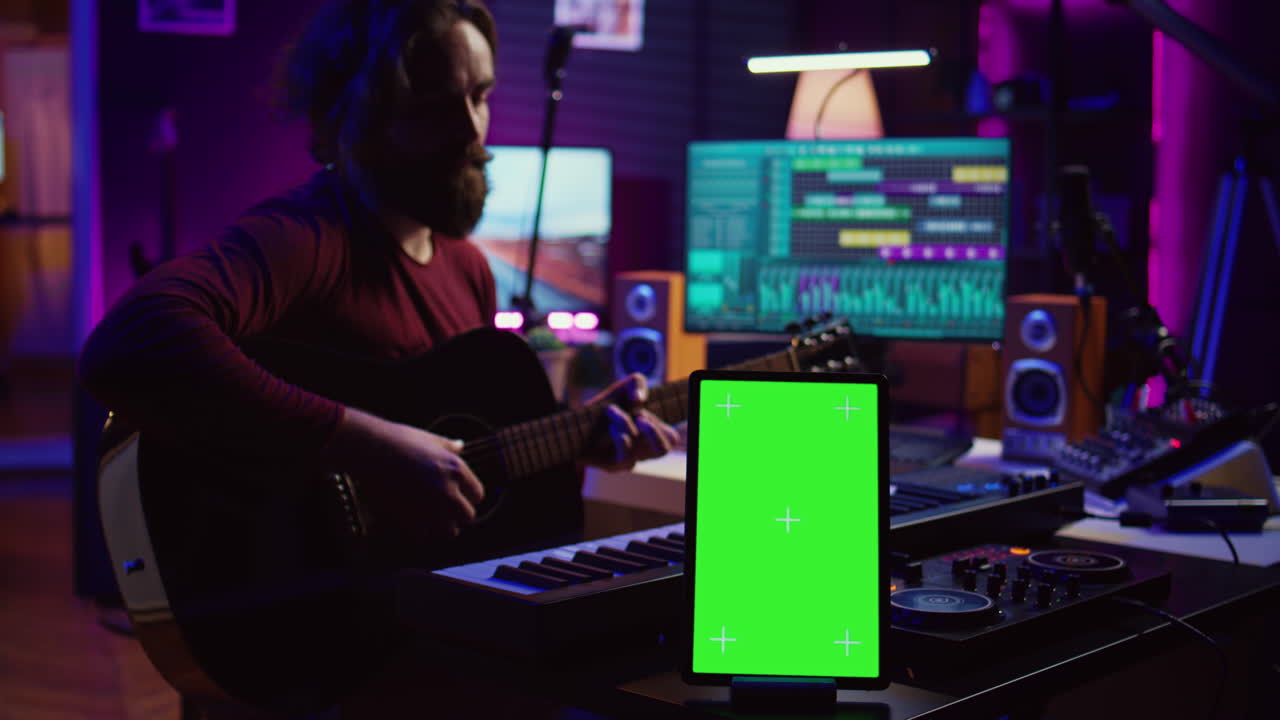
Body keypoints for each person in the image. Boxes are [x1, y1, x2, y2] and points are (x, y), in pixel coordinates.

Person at [79, 0, 678, 553]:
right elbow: (132, 339)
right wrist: (366, 448)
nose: (474, 130)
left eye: (482, 96)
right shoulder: (309, 238)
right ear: (367, 113)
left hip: (411, 610)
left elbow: (467, 464)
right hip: (302, 604)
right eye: (441, 104)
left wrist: (579, 443)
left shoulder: (468, 268)